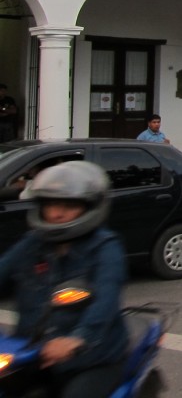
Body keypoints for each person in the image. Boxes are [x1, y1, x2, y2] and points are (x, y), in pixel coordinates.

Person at [0, 161, 129, 397]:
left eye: (68, 205)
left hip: (90, 360)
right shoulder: (32, 244)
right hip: (32, 353)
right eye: (51, 204)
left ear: (89, 206)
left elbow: (106, 300)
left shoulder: (105, 248)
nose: (57, 213)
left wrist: (76, 340)